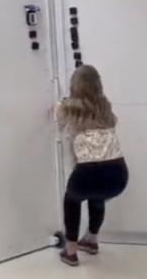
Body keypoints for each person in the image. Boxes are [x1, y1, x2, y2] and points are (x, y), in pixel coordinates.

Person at [55, 65, 129, 267]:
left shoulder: (67, 107)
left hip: (87, 174)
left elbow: (57, 121)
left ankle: (70, 252)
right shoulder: (106, 108)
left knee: (72, 199)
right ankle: (91, 240)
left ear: (74, 85)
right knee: (97, 197)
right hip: (118, 175)